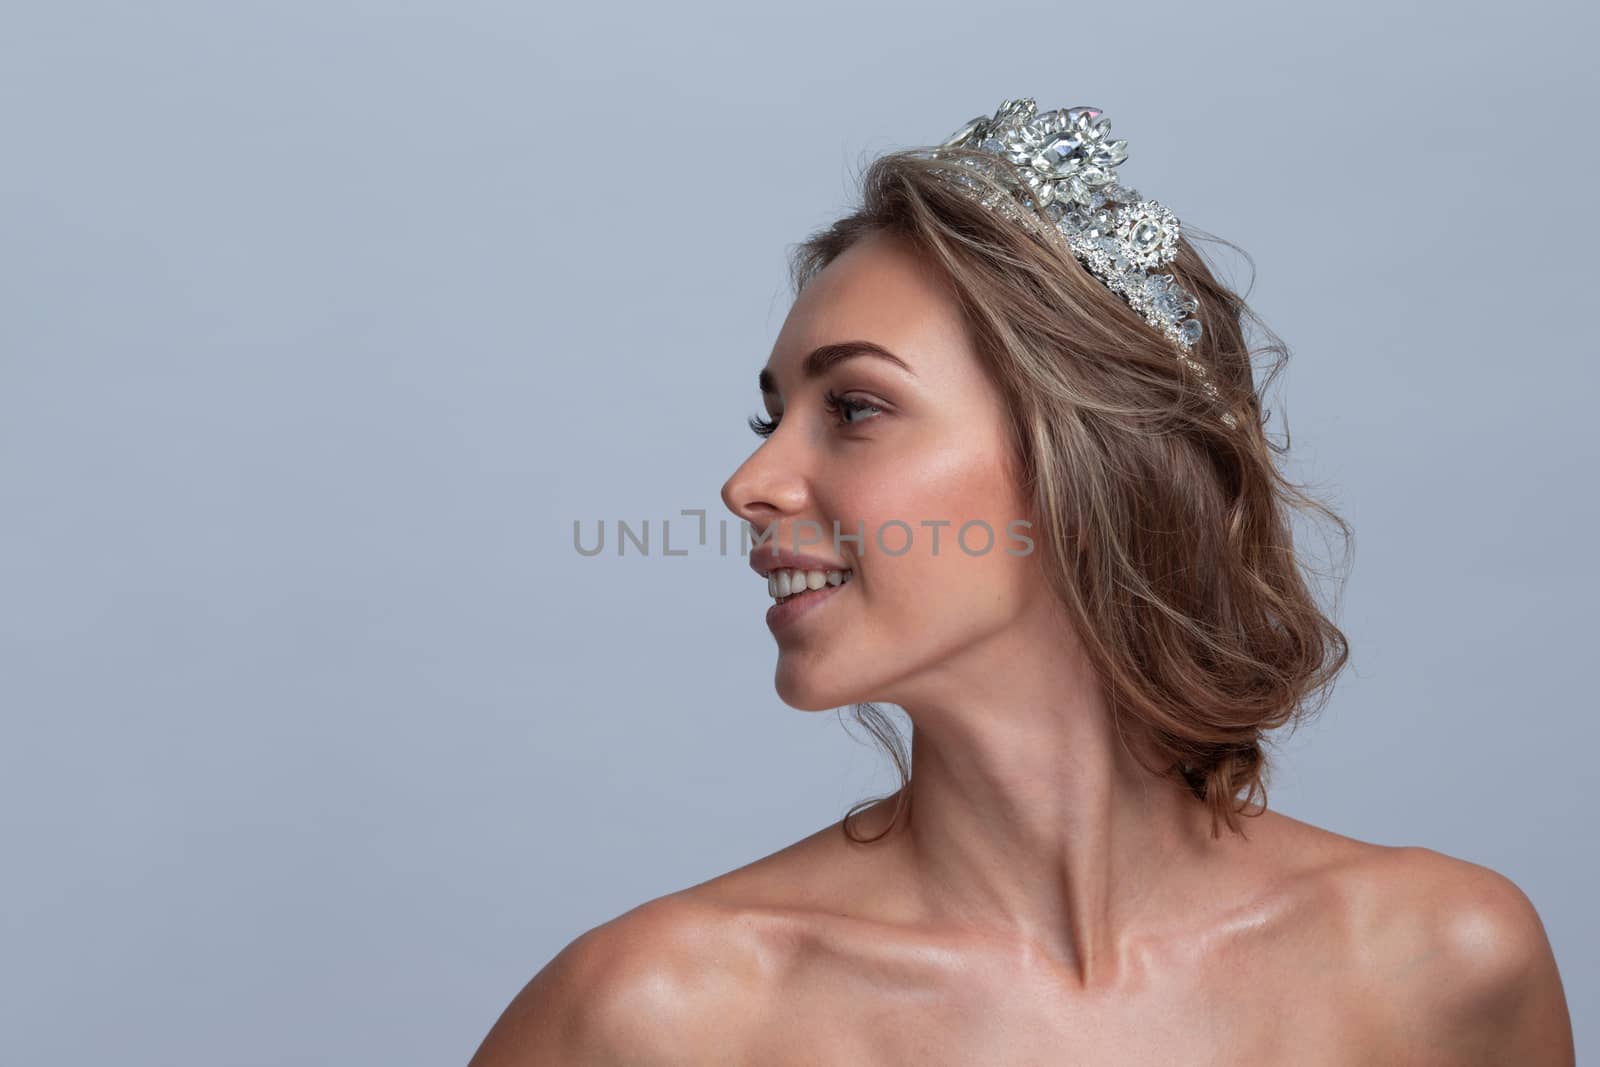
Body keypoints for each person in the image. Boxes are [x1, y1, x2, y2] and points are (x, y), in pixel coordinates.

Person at [469, 100, 1574, 1064]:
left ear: (1082, 458)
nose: (747, 484)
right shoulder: (658, 1016)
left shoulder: (1443, 965)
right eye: (772, 418)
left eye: (851, 407)